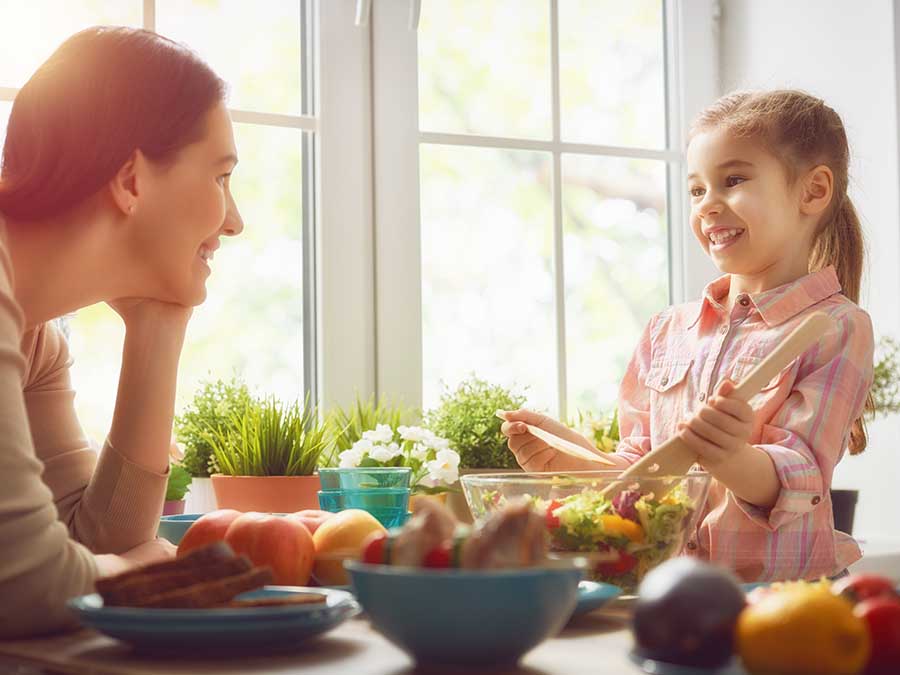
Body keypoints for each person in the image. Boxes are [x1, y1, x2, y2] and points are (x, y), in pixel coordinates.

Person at [501, 90, 874, 583]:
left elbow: (801, 476)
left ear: (813, 191)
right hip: (667, 591)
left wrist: (733, 458)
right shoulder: (667, 330)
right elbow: (647, 475)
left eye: (733, 180)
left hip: (778, 603)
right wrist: (575, 461)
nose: (707, 205)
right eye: (697, 190)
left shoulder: (837, 326)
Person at [0, 26, 243, 638]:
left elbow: (88, 540)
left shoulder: (34, 342)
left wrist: (157, 329)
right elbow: (33, 587)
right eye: (219, 178)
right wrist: (133, 569)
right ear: (132, 180)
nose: (235, 221)